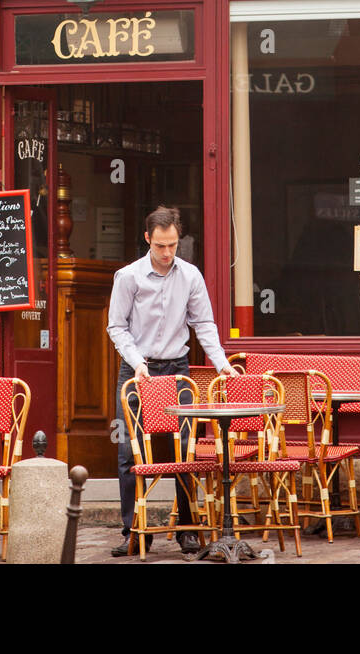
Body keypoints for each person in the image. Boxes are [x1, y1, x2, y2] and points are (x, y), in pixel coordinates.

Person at [106, 204, 239, 556]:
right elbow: (116, 326)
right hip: (137, 371)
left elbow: (205, 325)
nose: (167, 253)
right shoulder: (128, 277)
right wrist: (136, 362)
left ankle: (188, 530)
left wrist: (221, 363)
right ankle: (134, 531)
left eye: (173, 245)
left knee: (186, 450)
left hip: (178, 368)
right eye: (160, 245)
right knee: (127, 450)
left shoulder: (191, 276)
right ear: (148, 238)